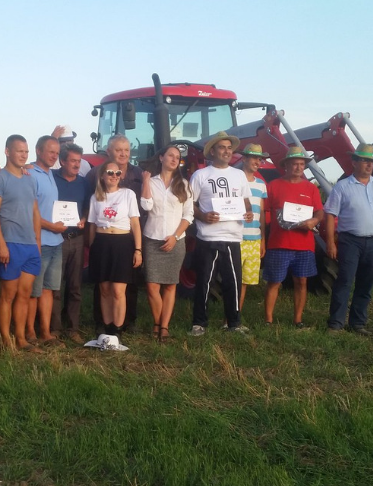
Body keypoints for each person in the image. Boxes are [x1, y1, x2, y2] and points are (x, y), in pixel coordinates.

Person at [324, 143, 373, 336]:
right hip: (350, 241)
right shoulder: (342, 187)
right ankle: (336, 323)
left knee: (366, 282)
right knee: (345, 281)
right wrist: (331, 242)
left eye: (371, 161)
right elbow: (330, 215)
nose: (369, 165)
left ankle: (358, 323)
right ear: (354, 162)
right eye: (365, 161)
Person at [189, 131, 252, 336]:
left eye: (229, 147)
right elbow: (191, 204)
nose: (227, 151)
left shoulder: (239, 174)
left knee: (233, 282)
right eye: (222, 147)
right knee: (205, 282)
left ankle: (234, 323)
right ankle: (199, 323)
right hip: (209, 237)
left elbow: (245, 200)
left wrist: (249, 212)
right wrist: (203, 216)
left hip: (233, 236)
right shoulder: (201, 175)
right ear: (213, 151)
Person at [0, 135, 42, 351]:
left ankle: (21, 338)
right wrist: (1, 244)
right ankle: (6, 340)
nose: (23, 155)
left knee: (25, 294)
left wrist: (37, 242)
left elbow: (35, 212)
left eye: (26, 152)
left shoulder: (30, 179)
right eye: (19, 151)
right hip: (10, 243)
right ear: (7, 151)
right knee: (8, 295)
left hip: (30, 245)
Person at [85, 135, 144, 331]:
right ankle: (106, 325)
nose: (114, 176)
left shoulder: (128, 194)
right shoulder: (96, 196)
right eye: (110, 173)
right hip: (102, 243)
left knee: (119, 290)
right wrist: (92, 246)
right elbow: (92, 225)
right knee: (104, 289)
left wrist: (138, 249)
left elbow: (135, 223)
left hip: (122, 243)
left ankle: (118, 328)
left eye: (117, 173)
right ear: (102, 175)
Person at [262, 145, 324, 327]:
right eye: (295, 164)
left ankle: (298, 320)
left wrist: (314, 221)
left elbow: (319, 212)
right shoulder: (273, 186)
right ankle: (268, 319)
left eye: (301, 164)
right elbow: (264, 213)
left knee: (302, 282)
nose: (298, 167)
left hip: (304, 245)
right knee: (274, 282)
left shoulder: (311, 188)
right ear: (286, 165)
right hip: (279, 243)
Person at [140, 146, 193, 342]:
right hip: (152, 239)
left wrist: (175, 237)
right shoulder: (151, 182)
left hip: (175, 240)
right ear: (161, 157)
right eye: (170, 155)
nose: (174, 159)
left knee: (170, 285)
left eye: (177, 157)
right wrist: (145, 181)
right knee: (152, 285)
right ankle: (157, 322)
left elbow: (189, 215)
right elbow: (146, 206)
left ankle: (164, 327)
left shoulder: (184, 184)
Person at [53, 143, 90, 344]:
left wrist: (84, 218)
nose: (77, 165)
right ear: (62, 161)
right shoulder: (52, 178)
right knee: (55, 286)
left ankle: (72, 328)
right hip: (56, 239)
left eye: (79, 161)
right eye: (73, 161)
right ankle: (55, 328)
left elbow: (86, 208)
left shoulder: (83, 183)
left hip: (76, 238)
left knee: (75, 286)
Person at [29, 135, 65, 343]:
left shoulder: (50, 174)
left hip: (56, 242)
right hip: (39, 241)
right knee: (34, 291)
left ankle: (45, 332)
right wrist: (51, 226)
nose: (54, 156)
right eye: (51, 152)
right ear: (38, 150)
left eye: (57, 153)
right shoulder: (30, 174)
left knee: (48, 289)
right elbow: (30, 212)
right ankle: (30, 333)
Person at [238, 144, 270, 313]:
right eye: (254, 157)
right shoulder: (234, 180)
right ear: (244, 158)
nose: (257, 161)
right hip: (237, 237)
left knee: (244, 282)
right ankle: (229, 318)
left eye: (259, 158)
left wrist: (262, 239)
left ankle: (235, 317)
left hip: (254, 239)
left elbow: (262, 213)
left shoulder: (261, 185)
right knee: (234, 279)